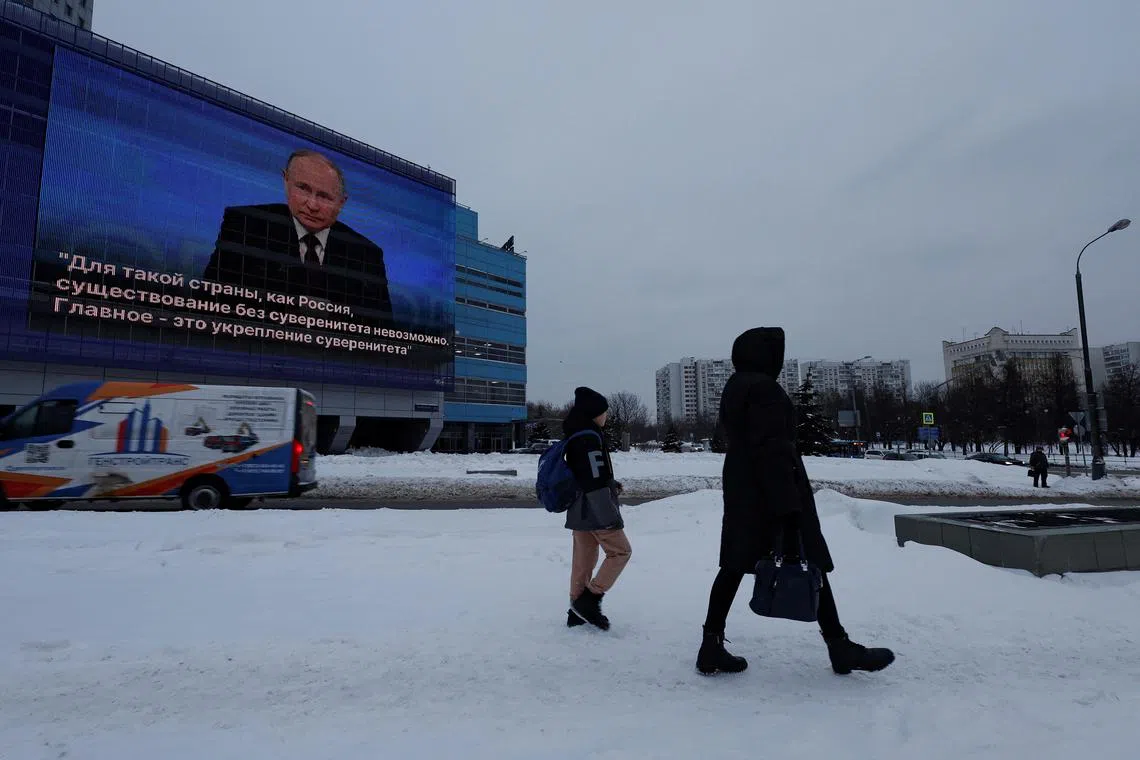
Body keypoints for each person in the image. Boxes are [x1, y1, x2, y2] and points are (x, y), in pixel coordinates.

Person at [696, 327, 895, 676]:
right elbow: (775, 449)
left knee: (733, 565)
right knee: (809, 561)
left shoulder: (736, 387)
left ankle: (710, 645)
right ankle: (839, 646)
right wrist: (788, 507)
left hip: (744, 486)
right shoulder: (765, 390)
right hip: (773, 491)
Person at [202, 149, 393, 324]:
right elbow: (208, 301)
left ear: (341, 203)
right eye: (303, 188)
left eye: (325, 197)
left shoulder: (367, 253)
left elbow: (383, 332)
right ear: (286, 182)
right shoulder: (245, 224)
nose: (312, 205)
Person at [561, 387, 631, 631]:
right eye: (604, 412)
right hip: (595, 505)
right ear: (594, 413)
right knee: (621, 552)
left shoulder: (577, 432)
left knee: (584, 560)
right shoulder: (590, 437)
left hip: (578, 505)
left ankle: (576, 612)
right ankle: (590, 599)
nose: (606, 416)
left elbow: (587, 473)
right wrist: (609, 514)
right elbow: (594, 477)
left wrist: (611, 484)